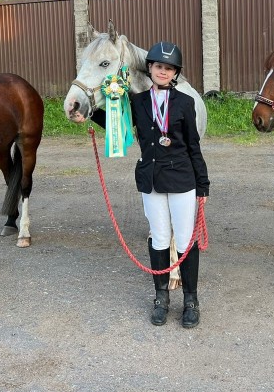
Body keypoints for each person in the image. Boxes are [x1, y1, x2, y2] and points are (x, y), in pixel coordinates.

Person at [75, 41, 210, 328]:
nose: (163, 71)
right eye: (158, 66)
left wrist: (203, 186)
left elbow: (194, 147)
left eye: (169, 68)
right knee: (160, 239)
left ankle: (191, 300)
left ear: (175, 74)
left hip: (182, 178)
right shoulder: (137, 101)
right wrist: (86, 113)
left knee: (185, 241)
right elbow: (118, 123)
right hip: (150, 179)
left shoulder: (185, 104)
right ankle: (161, 297)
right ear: (149, 69)